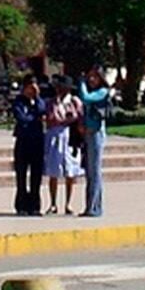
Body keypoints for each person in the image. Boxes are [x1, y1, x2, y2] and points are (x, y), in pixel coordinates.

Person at [42, 75, 83, 214]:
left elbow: (78, 116)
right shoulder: (52, 102)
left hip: (70, 137)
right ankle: (53, 203)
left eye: (63, 88)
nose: (60, 90)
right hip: (55, 136)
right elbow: (52, 118)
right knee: (54, 170)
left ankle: (68, 204)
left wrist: (69, 119)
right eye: (58, 88)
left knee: (70, 171)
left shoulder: (74, 101)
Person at [78, 67, 113, 218]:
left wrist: (81, 84)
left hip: (96, 134)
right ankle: (90, 206)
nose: (91, 80)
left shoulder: (102, 92)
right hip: (88, 134)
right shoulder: (93, 92)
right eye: (89, 77)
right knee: (89, 172)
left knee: (95, 171)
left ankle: (95, 207)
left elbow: (86, 98)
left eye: (94, 77)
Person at [10, 77, 46, 216]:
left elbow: (42, 110)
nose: (32, 90)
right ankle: (21, 205)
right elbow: (21, 118)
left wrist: (36, 98)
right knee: (21, 175)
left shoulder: (38, 101)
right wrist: (34, 117)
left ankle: (35, 206)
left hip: (37, 141)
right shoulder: (19, 101)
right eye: (30, 87)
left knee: (36, 176)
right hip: (23, 141)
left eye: (35, 87)